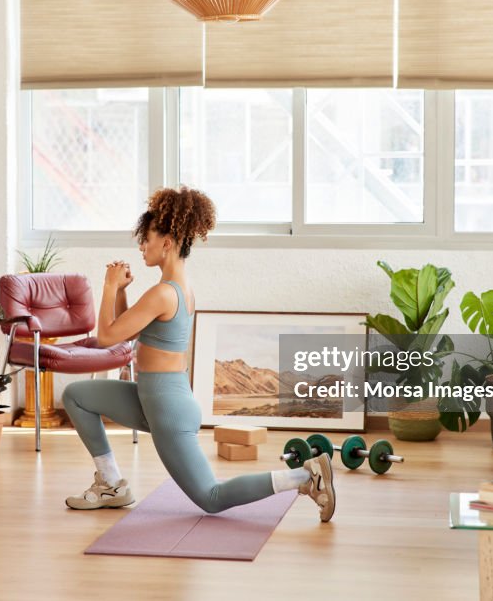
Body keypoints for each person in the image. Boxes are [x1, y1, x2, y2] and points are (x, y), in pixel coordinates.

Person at [61, 186, 336, 522]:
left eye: (146, 238)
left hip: (167, 410)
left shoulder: (163, 293)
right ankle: (111, 484)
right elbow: (127, 330)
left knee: (211, 497)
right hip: (157, 398)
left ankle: (306, 477)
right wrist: (120, 293)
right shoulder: (177, 289)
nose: (141, 246)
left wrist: (106, 285)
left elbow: (106, 337)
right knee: (77, 395)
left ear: (167, 242)